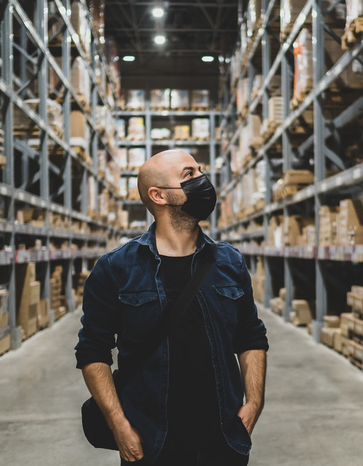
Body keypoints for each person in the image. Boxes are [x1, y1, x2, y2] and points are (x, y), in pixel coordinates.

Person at [75, 150, 269, 465]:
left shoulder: (230, 261)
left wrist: (254, 403)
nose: (203, 181)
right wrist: (118, 424)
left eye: (200, 171)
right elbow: (92, 351)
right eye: (189, 175)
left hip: (223, 439)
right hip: (151, 441)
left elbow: (250, 336)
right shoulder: (116, 268)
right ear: (159, 195)